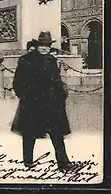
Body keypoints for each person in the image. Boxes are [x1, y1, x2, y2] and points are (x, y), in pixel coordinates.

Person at [11, 31, 73, 172]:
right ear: (37, 45)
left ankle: (63, 163)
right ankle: (28, 160)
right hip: (32, 103)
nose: (45, 48)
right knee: (29, 133)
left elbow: (57, 81)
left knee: (56, 134)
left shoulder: (52, 60)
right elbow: (18, 82)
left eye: (47, 45)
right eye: (42, 45)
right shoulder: (26, 60)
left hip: (52, 103)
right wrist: (26, 96)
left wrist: (61, 95)